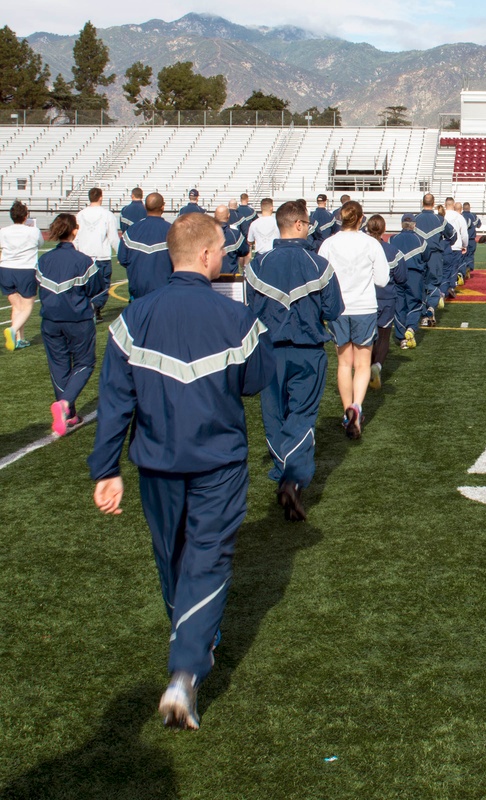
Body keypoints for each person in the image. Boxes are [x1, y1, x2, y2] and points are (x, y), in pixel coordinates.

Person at [88, 212, 275, 730]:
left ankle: (191, 637)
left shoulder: (133, 318)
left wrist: (106, 469)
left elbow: (114, 401)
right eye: (221, 250)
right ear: (207, 255)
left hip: (157, 461)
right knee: (208, 557)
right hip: (218, 460)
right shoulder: (236, 317)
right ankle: (187, 667)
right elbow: (255, 381)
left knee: (171, 555)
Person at [245, 200, 343, 519]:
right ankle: (293, 478)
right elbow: (333, 310)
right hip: (308, 350)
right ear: (299, 224)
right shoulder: (319, 265)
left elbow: (248, 311)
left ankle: (283, 472)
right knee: (302, 414)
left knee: (274, 417)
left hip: (268, 351)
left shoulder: (257, 265)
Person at [318, 200, 390, 440]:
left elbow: (321, 278)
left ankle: (347, 410)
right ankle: (356, 407)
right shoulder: (371, 243)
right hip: (364, 307)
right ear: (361, 219)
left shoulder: (329, 244)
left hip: (338, 308)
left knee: (343, 364)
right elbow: (382, 280)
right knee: (362, 364)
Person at [35, 213, 102, 435]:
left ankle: (69, 414)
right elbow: (96, 288)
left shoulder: (44, 260)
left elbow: (39, 285)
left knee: (59, 366)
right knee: (85, 363)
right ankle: (65, 404)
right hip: (78, 319)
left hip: (50, 320)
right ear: (75, 231)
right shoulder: (84, 261)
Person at [365, 214, 404, 389]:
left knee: (365, 336)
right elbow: (402, 277)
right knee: (383, 336)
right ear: (384, 229)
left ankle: (365, 367)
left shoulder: (361, 248)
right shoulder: (392, 251)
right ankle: (377, 365)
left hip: (364, 297)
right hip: (386, 297)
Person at [0, 200, 43, 350]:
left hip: (6, 269)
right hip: (26, 269)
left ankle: (19, 339)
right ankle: (12, 330)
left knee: (16, 306)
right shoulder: (33, 231)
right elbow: (40, 244)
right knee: (27, 306)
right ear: (25, 216)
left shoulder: (3, 231)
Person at [118, 192, 172, 300]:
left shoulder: (131, 231)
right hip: (164, 291)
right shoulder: (173, 231)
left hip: (138, 292)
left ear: (145, 207)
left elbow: (122, 259)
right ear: (162, 207)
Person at [75, 188, 118, 323]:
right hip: (101, 255)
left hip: (84, 255)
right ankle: (95, 307)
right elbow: (113, 237)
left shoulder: (80, 215)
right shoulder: (107, 215)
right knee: (103, 285)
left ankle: (88, 308)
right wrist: (120, 253)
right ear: (100, 197)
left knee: (84, 284)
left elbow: (76, 237)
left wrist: (75, 251)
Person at [413, 193, 454, 319]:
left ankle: (424, 313)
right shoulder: (439, 220)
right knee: (434, 283)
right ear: (434, 203)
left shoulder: (415, 219)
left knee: (420, 284)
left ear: (422, 203)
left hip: (418, 255)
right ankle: (431, 306)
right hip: (434, 256)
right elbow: (452, 235)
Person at [390, 214, 425, 350]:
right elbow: (426, 256)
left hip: (397, 274)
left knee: (399, 306)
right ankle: (410, 327)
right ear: (414, 225)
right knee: (415, 303)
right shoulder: (420, 239)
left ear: (401, 224)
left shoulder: (393, 239)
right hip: (414, 274)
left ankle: (402, 338)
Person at [443, 197, 468, 296]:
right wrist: (464, 245)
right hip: (456, 245)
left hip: (443, 245)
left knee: (443, 268)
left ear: (445, 204)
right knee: (454, 268)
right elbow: (464, 234)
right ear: (453, 205)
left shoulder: (441, 216)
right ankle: (451, 287)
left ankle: (443, 288)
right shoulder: (459, 217)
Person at [214, 205, 249, 275]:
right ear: (228, 216)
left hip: (212, 276)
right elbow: (244, 251)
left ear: (214, 216)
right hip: (231, 276)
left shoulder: (207, 233)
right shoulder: (235, 234)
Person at [234, 193, 257, 269]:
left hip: (238, 235)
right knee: (248, 253)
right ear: (247, 199)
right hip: (248, 234)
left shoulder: (236, 211)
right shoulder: (251, 211)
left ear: (240, 199)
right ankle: (245, 268)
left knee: (240, 255)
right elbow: (256, 221)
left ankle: (242, 268)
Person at [462, 202, 482, 281]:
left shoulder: (460, 216)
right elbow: (479, 225)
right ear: (469, 208)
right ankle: (469, 269)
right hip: (471, 240)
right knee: (470, 255)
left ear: (463, 208)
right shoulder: (474, 216)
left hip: (463, 240)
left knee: (462, 256)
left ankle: (462, 271)